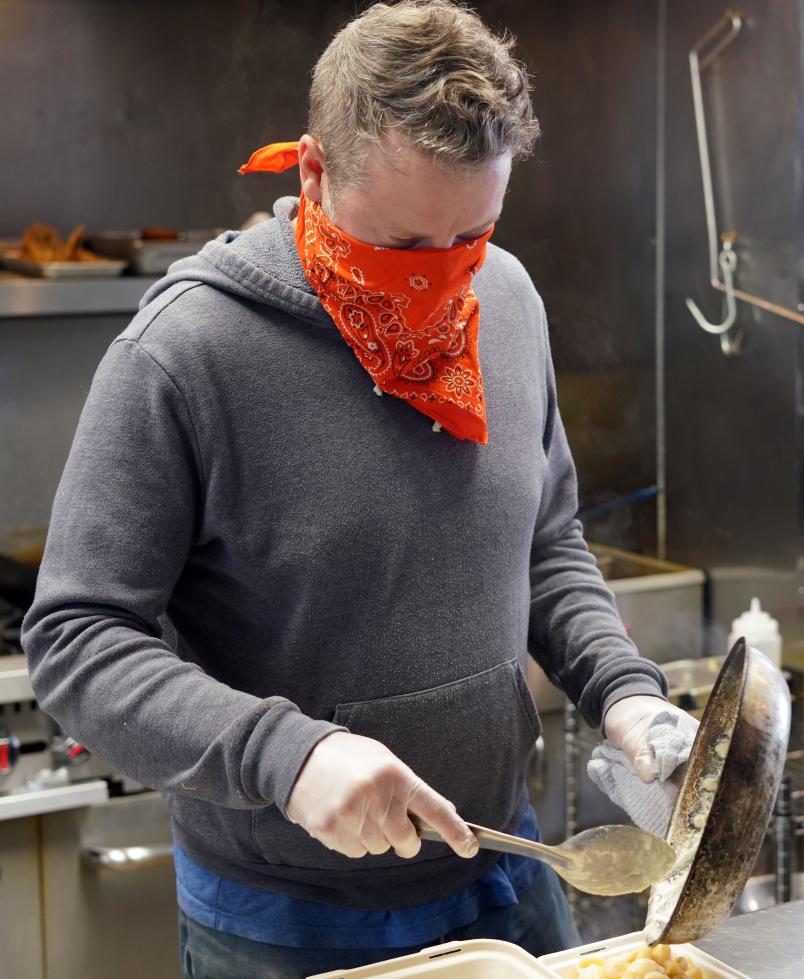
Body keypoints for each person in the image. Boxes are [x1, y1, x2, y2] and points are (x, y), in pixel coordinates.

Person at [23, 2, 695, 976]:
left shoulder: (503, 301)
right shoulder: (184, 355)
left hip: (509, 866)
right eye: (408, 250)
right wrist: (284, 755)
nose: (445, 282)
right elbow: (75, 641)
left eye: (471, 237)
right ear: (312, 174)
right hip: (288, 919)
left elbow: (546, 538)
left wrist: (624, 691)